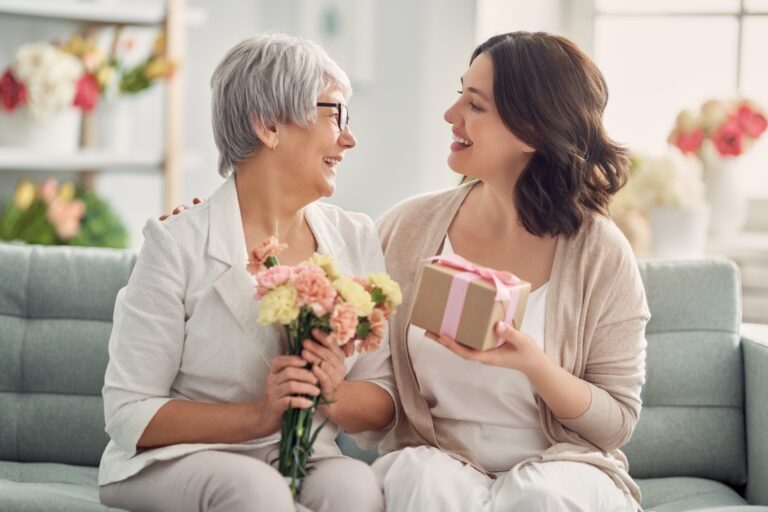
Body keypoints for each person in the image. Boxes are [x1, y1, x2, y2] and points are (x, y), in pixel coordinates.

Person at [98, 33, 395, 512]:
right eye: (335, 114)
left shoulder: (355, 237)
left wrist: (333, 391)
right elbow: (130, 412)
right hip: (178, 458)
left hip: (303, 457)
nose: (349, 137)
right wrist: (259, 416)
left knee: (356, 489)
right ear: (269, 124)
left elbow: (384, 398)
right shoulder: (177, 243)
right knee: (257, 491)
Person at [373, 31, 650, 511]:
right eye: (459, 94)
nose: (450, 114)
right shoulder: (406, 229)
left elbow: (617, 423)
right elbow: (373, 381)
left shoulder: (600, 252)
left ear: (531, 131)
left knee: (540, 497)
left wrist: (532, 364)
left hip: (563, 469)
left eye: (475, 105)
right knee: (420, 480)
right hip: (439, 460)